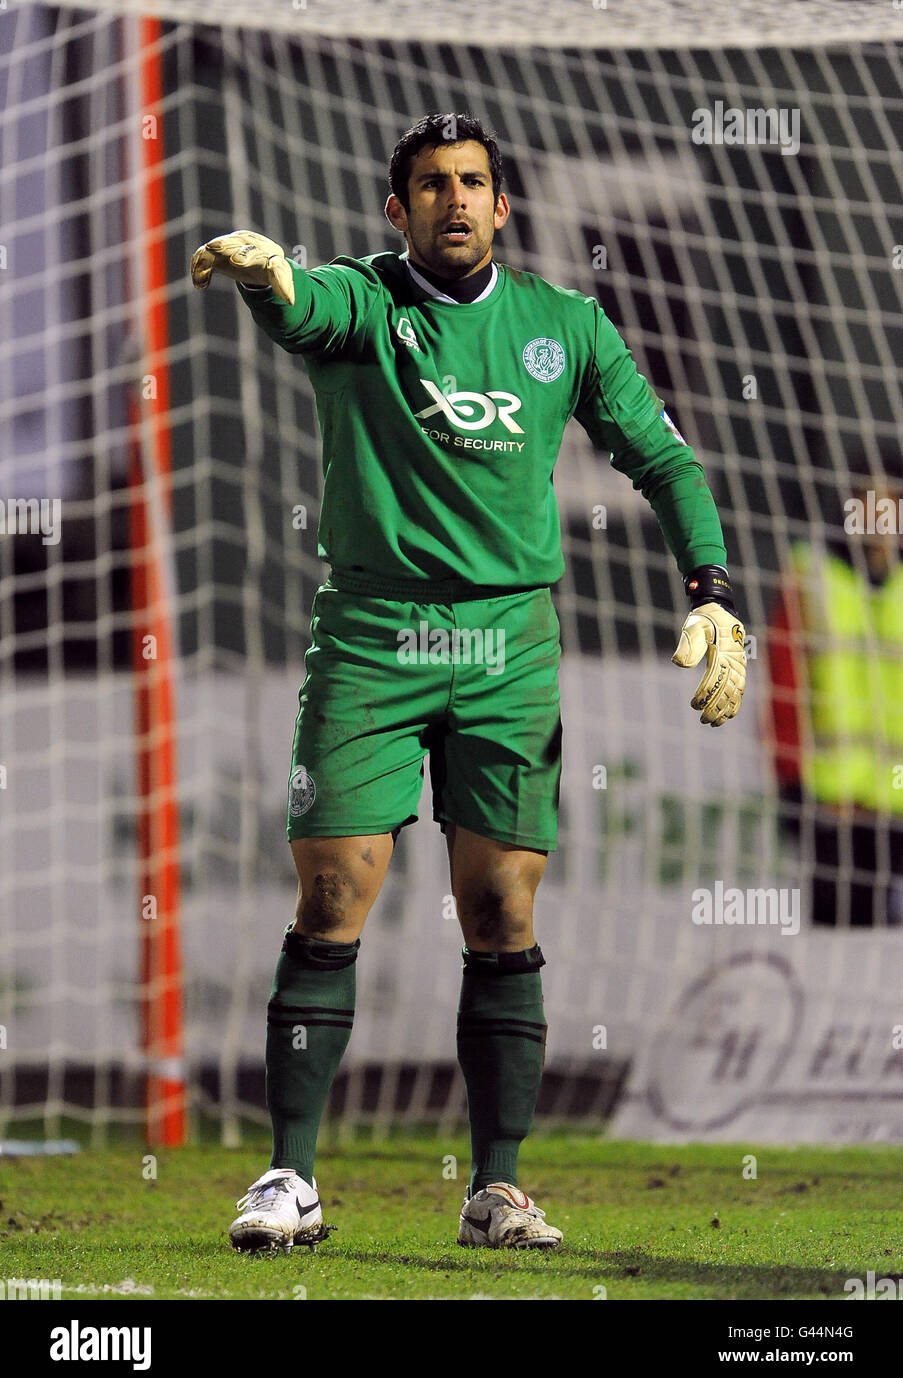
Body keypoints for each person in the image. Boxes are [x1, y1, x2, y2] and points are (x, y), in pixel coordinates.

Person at [190, 112, 746, 1252]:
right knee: (334, 891)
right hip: (374, 633)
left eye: (475, 183)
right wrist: (269, 279)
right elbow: (306, 304)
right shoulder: (364, 304)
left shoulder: (565, 326)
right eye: (432, 185)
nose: (455, 200)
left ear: (504, 206)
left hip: (507, 646)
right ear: (398, 211)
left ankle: (496, 1189)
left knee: (500, 910)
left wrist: (713, 586)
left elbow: (665, 456)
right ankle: (291, 1179)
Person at [768, 473, 903, 927]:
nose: (877, 520)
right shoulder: (813, 575)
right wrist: (792, 780)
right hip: (835, 804)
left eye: (888, 505)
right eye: (867, 505)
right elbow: (784, 686)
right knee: (842, 951)